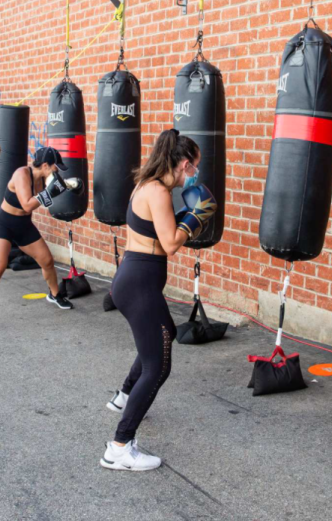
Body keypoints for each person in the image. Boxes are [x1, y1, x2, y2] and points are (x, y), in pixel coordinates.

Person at [101, 128, 217, 472]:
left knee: (160, 335)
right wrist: (196, 217)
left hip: (135, 279)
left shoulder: (148, 185)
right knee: (159, 365)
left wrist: (186, 217)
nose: (194, 174)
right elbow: (169, 243)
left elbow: (158, 230)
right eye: (193, 167)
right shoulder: (158, 192)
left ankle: (124, 396)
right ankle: (119, 446)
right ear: (182, 164)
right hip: (139, 283)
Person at [0, 146, 79, 331]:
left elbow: (49, 193)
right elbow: (27, 204)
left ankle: (55, 294)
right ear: (44, 165)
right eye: (54, 166)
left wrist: (70, 186)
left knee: (47, 261)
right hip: (4, 224)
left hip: (24, 226)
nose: (56, 170)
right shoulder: (21, 174)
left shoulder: (43, 178)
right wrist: (52, 192)